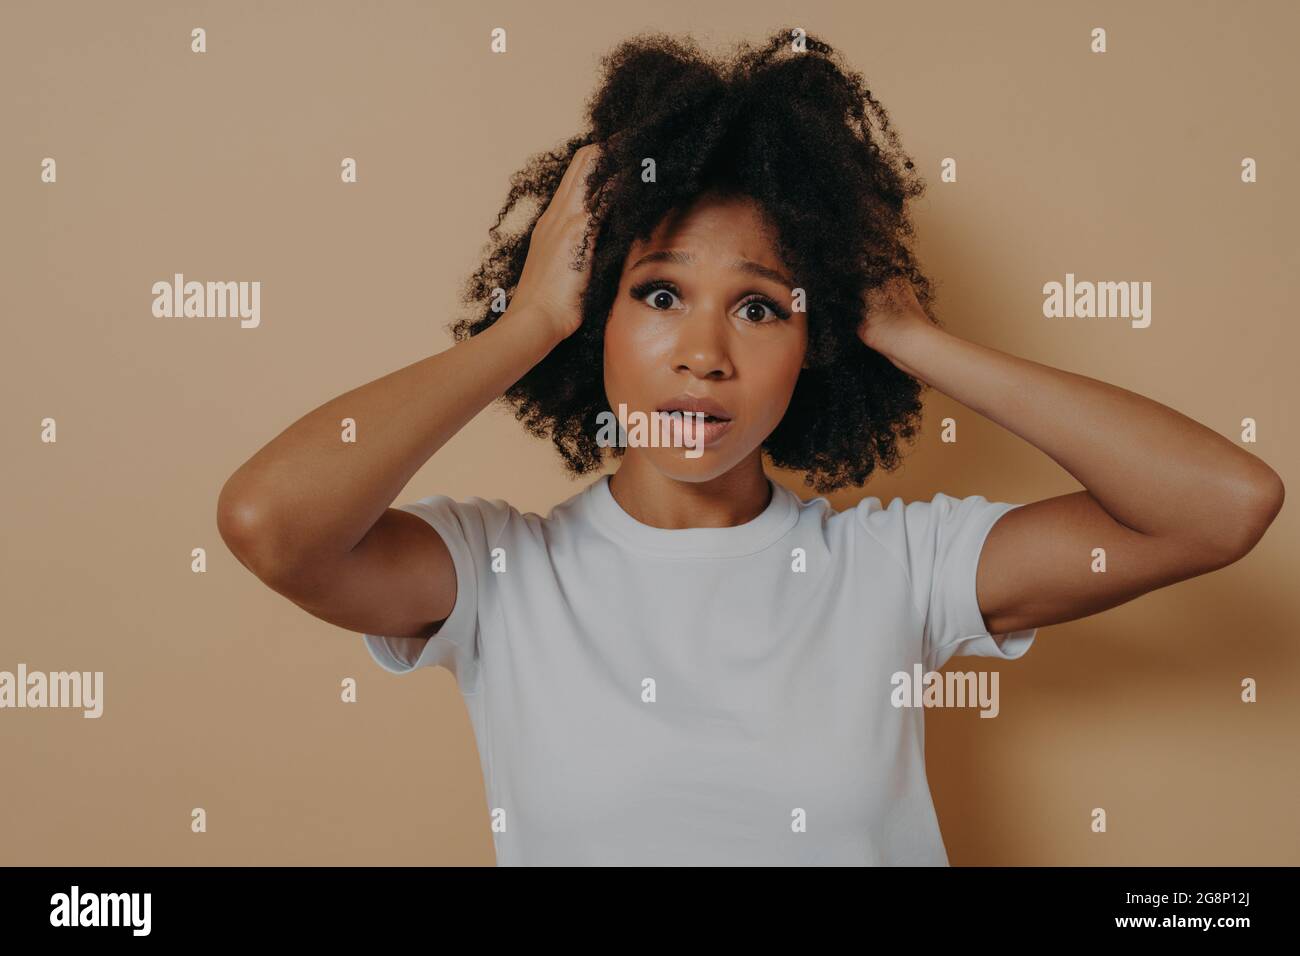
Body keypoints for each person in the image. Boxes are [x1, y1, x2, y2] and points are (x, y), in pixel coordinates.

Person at [216, 30, 1284, 865]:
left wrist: (911, 334)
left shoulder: (898, 569)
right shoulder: (500, 576)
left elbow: (1221, 503)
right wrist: (527, 322)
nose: (703, 354)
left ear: (815, 342)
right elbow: (271, 522)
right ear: (599, 318)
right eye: (658, 293)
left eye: (762, 308)